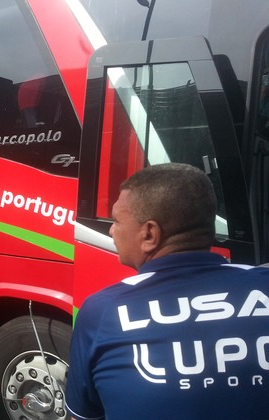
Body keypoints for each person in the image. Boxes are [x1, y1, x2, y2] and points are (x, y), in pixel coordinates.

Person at [65, 163, 269, 419]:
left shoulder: (103, 310)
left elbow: (83, 415)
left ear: (150, 234)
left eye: (117, 220)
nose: (111, 230)